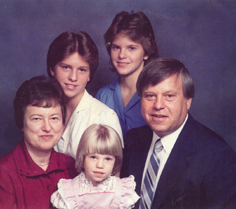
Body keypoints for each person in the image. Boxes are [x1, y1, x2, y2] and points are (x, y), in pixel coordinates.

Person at [121, 58, 236, 209]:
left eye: (169, 96)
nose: (158, 105)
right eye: (150, 96)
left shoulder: (218, 156)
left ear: (188, 101)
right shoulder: (132, 139)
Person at [0, 76, 78, 209]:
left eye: (54, 118)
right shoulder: (2, 174)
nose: (47, 127)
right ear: (21, 123)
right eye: (37, 118)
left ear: (63, 123)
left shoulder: (72, 167)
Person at [47, 31, 123, 159]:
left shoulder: (104, 117)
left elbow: (114, 175)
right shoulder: (42, 109)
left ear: (89, 75)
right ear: (52, 69)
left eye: (82, 70)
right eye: (66, 67)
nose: (73, 77)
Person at [96, 11, 159, 136]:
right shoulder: (103, 96)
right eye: (116, 47)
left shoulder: (158, 95)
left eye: (131, 48)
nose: (122, 55)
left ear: (146, 53)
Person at [51, 124, 139, 209]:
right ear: (83, 157)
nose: (100, 165)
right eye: (93, 157)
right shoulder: (71, 192)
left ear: (115, 161)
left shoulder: (121, 191)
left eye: (107, 159)